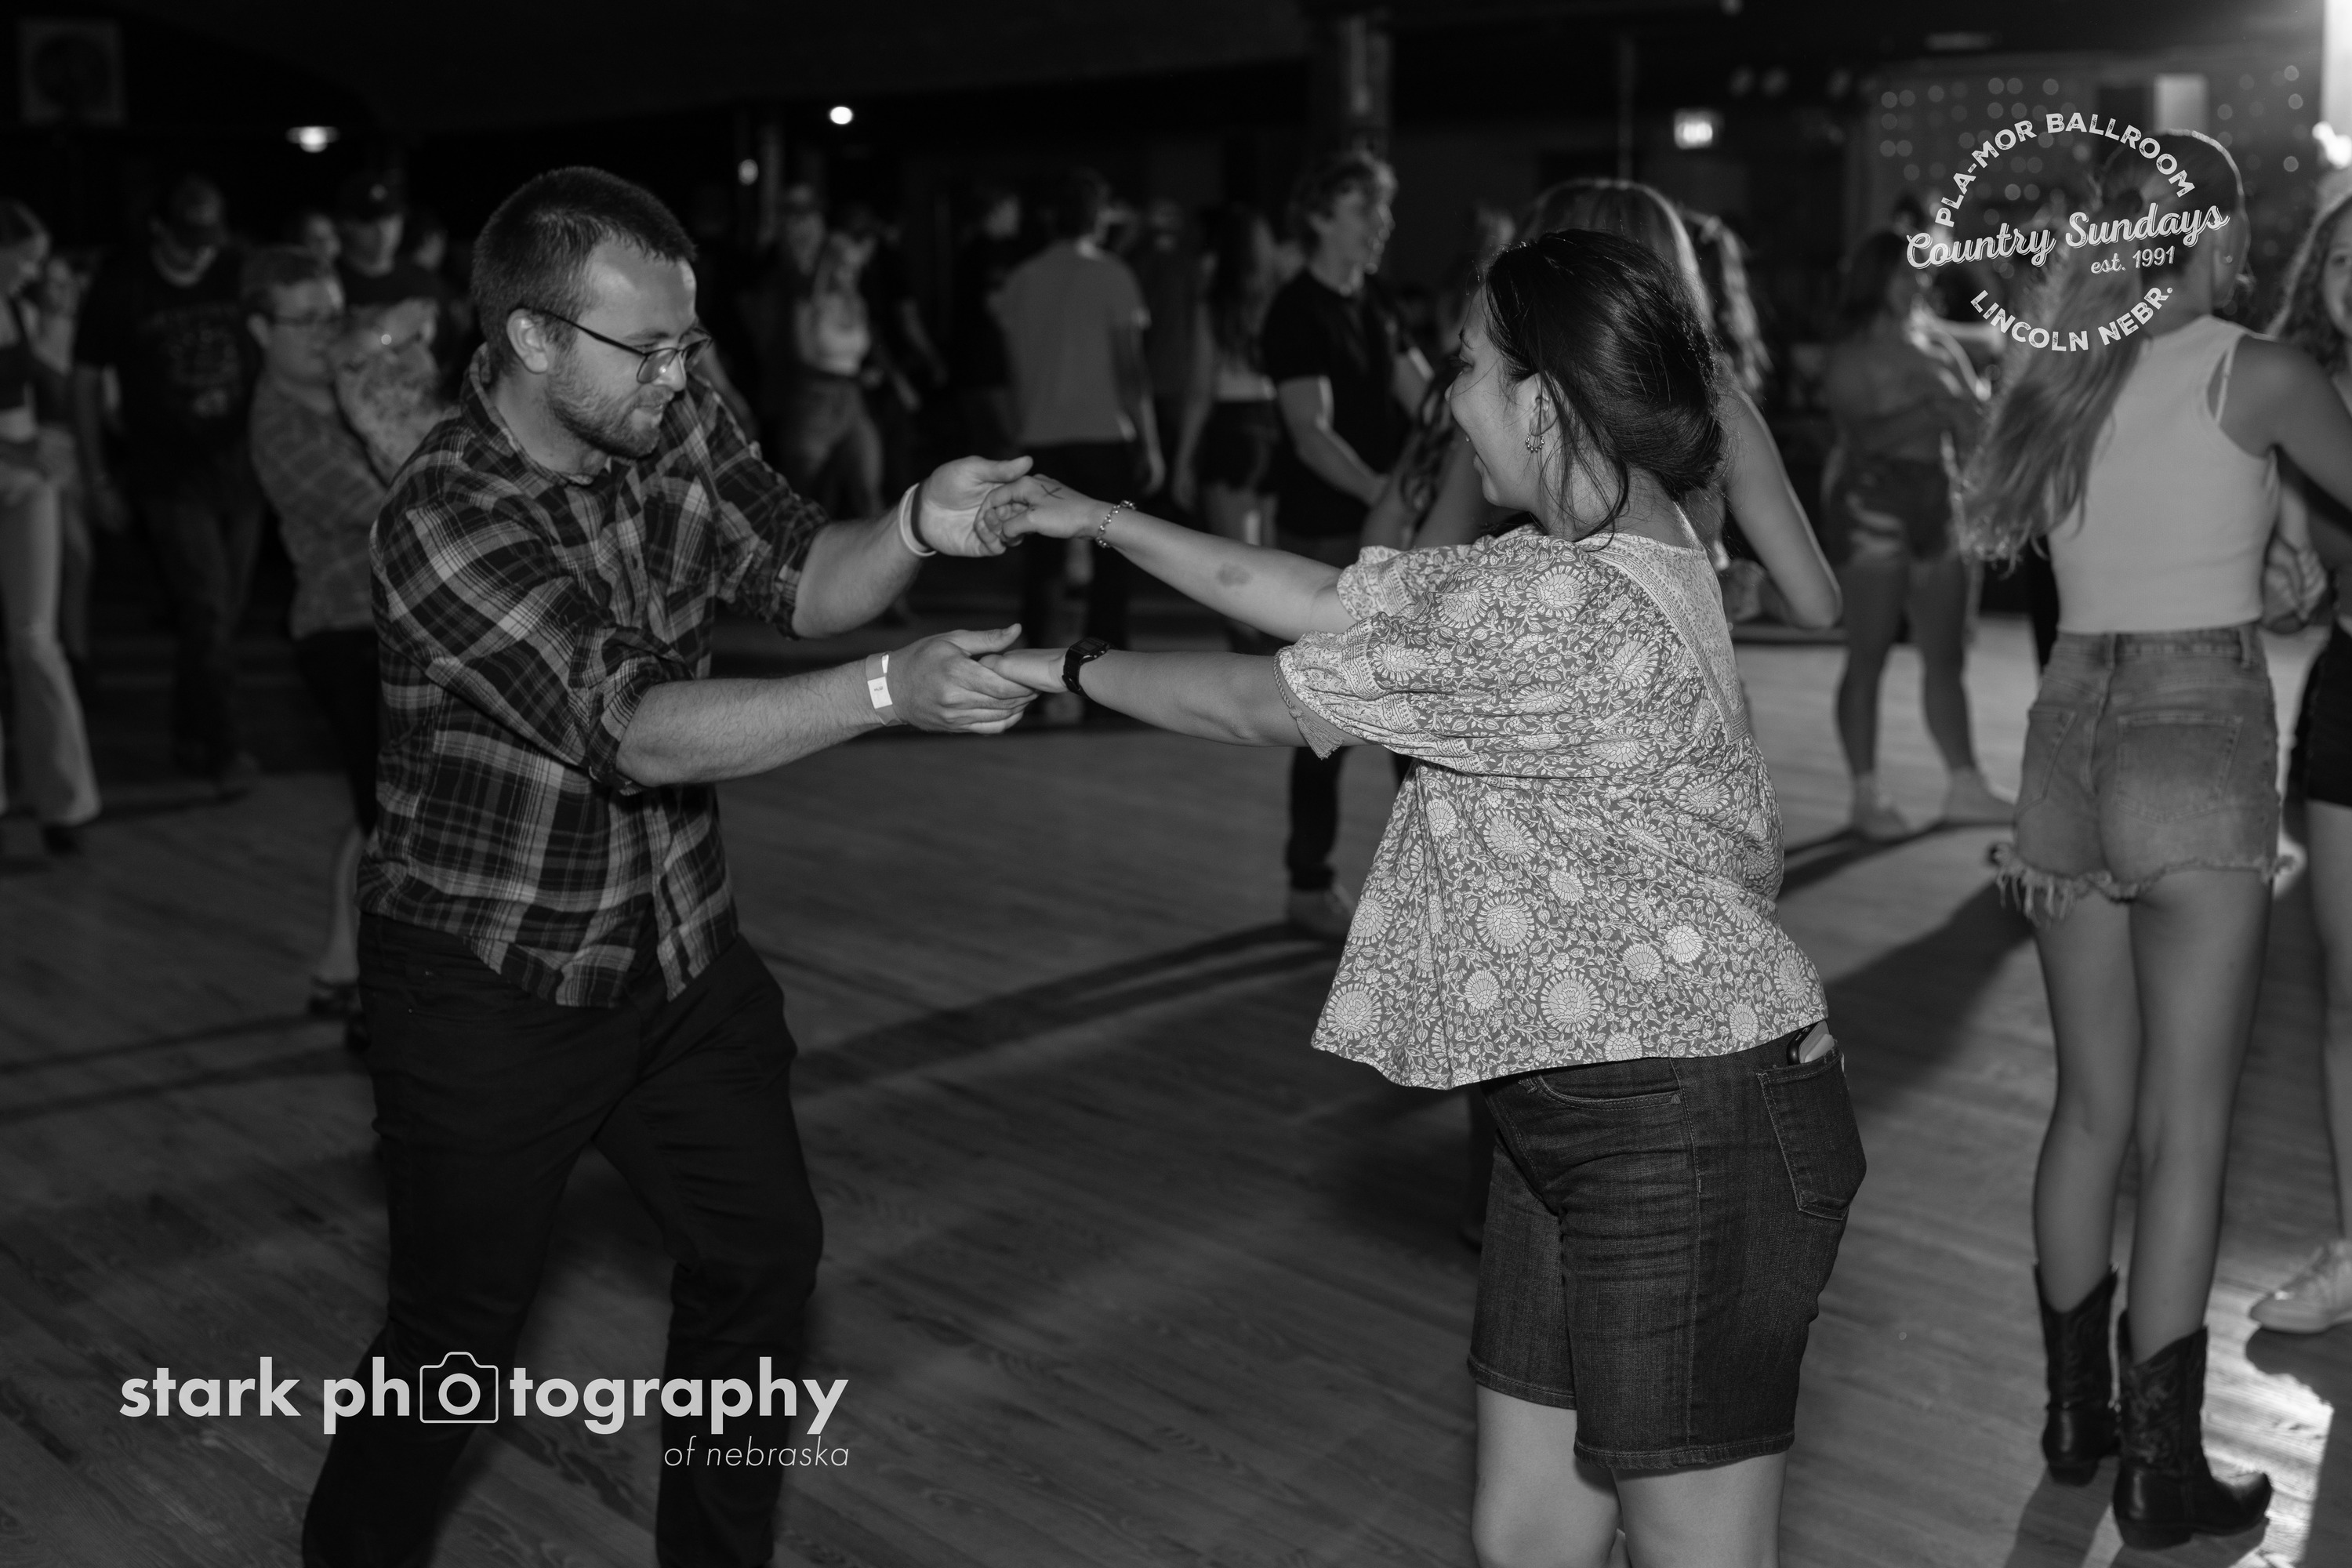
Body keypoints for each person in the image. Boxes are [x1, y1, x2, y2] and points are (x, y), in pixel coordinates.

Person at [978, 227, 1858, 1568]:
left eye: (1466, 370)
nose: (1447, 400)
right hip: (1574, 1103)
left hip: (1688, 1122)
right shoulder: (1605, 555)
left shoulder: (1557, 603)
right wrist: (1096, 518)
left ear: (1542, 402)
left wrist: (1051, 668)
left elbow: (1253, 700)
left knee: (1696, 1554)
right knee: (1528, 1538)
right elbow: (1325, 596)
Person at [299, 165, 1040, 1568]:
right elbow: (633, 729)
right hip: (489, 980)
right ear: (532, 337)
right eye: (645, 348)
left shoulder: (673, 413)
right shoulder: (444, 512)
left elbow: (803, 576)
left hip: (678, 948)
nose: (678, 374)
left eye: (685, 342)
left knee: (761, 1259)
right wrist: (890, 691)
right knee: (454, 1349)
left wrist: (913, 525)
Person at [1965, 131, 2349, 1549]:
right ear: (2224, 237)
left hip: (2067, 727)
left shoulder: (2055, 369)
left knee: (2090, 1109)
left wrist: (2273, 538)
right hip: (2197, 734)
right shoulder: (2265, 373)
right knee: (2189, 1129)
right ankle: (2162, 1471)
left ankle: (2078, 1421)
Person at [1259, 150, 1428, 935]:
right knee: (1324, 714)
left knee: (1413, 707)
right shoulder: (1296, 312)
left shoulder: (1379, 302)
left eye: (1384, 208)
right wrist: (1384, 498)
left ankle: (1435, 881)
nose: (1383, 224)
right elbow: (1309, 432)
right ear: (1322, 218)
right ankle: (1307, 883)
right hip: (1326, 533)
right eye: (1366, 209)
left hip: (1385, 533)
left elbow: (1428, 399)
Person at [2249, 189, 2352, 1334]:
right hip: (2350, 691)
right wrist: (2288, 587)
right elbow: (2291, 601)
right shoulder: (2304, 404)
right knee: (2347, 990)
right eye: (2342, 259)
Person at [72, 172, 263, 795]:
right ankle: (226, 747)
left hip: (241, 470)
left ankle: (190, 730)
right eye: (187, 241)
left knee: (221, 616)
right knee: (207, 607)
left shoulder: (236, 271)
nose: (200, 254)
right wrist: (97, 477)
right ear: (158, 229)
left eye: (208, 241)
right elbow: (83, 381)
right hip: (168, 475)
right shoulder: (122, 286)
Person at [1824, 229, 2008, 839]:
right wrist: (1932, 409)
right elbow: (1864, 435)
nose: (1920, 283)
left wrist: (1974, 427)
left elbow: (1973, 422)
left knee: (1946, 654)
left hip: (1938, 496)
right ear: (1877, 278)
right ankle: (1865, 793)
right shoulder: (1852, 354)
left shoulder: (1937, 341)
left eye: (1922, 274)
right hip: (1873, 501)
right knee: (1869, 652)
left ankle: (1965, 785)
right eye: (1907, 273)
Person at [241, 246, 383, 1039]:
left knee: (379, 813)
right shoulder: (280, 425)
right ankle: (377, 1001)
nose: (326, 332)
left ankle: (338, 966)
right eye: (305, 320)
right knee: (395, 824)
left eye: (334, 314)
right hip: (346, 635)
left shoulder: (348, 387)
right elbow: (389, 509)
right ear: (261, 330)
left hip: (385, 627)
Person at [993, 166, 1163, 654]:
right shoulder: (1113, 275)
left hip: (1041, 435)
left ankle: (1036, 669)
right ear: (1098, 217)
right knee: (1113, 557)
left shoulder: (1022, 280)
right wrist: (1150, 442)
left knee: (1043, 564)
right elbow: (1130, 370)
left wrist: (1017, 432)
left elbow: (1013, 369)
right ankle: (1104, 669)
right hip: (1105, 435)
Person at [0, 199, 101, 855]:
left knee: (36, 640)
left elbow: (46, 393)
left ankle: (66, 804)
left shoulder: (21, 309)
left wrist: (44, 446)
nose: (34, 272)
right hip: (16, 465)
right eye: (25, 258)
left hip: (26, 484)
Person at [1171, 205, 1283, 641]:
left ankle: (1248, 656)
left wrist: (1183, 460)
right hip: (1276, 425)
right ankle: (1277, 655)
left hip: (1231, 427)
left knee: (1234, 563)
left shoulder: (1215, 304)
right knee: (1271, 559)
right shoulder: (1280, 296)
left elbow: (1201, 389)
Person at [948, 183, 1026, 459]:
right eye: (1014, 209)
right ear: (997, 210)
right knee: (1008, 447)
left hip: (970, 368)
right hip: (989, 367)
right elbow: (995, 307)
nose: (1018, 216)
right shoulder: (991, 252)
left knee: (984, 449)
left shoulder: (969, 249)